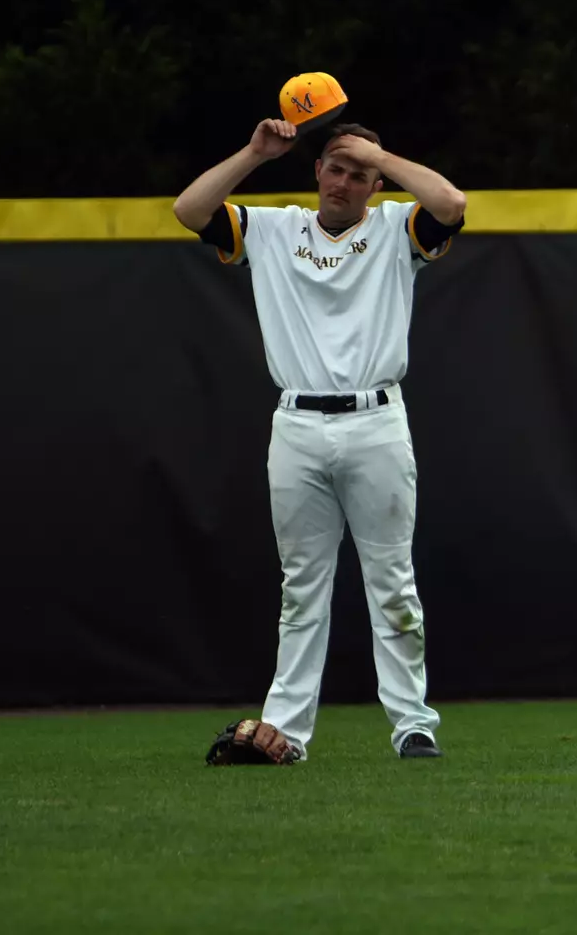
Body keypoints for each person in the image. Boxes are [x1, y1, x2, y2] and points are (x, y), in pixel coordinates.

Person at [175, 72, 466, 761]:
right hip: (298, 422)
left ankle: (412, 723)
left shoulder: (398, 227)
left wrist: (378, 155)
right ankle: (288, 732)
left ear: (374, 186)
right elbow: (190, 210)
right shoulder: (275, 228)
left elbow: (451, 202)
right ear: (316, 170)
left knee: (391, 579)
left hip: (375, 419)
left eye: (357, 175)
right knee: (302, 586)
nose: (342, 182)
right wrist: (253, 155)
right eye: (335, 168)